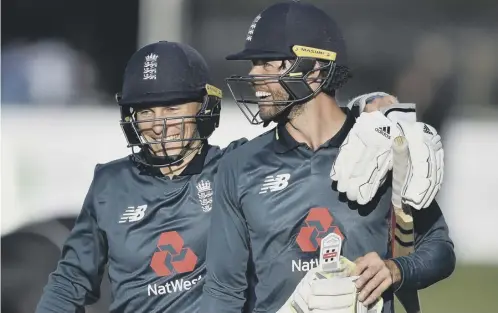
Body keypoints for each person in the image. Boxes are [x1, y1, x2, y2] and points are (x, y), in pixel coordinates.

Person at [201, 2, 455, 313]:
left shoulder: (384, 148)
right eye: (255, 63)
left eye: (269, 63)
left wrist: (396, 269)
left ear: (315, 70)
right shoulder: (238, 166)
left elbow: (440, 250)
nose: (254, 75)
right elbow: (222, 291)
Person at [34, 40, 247, 313]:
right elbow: (71, 281)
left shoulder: (237, 167)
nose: (159, 126)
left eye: (172, 108)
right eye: (146, 111)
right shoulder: (110, 184)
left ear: (204, 107)